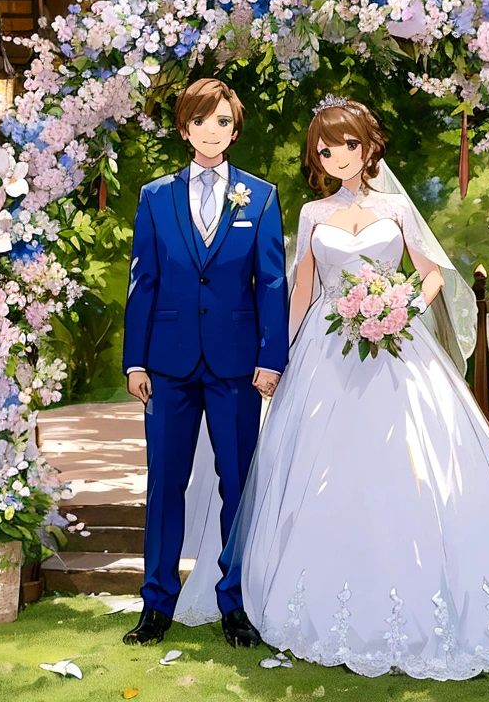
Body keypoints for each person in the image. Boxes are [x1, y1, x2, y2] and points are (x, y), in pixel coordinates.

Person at [182, 95, 489, 679]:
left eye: (346, 143)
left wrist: (399, 308)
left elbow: (429, 278)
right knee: (315, 470)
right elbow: (300, 295)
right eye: (325, 146)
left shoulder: (396, 209)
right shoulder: (312, 215)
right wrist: (277, 357)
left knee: (412, 463)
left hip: (396, 346)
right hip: (326, 347)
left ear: (368, 147)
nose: (335, 154)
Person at [121, 77, 288, 647]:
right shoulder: (154, 196)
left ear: (234, 128)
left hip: (237, 364)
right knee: (165, 482)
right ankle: (156, 603)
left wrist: (272, 357)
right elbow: (142, 282)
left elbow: (271, 282)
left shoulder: (261, 196)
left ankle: (235, 603)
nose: (210, 131)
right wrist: (134, 361)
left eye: (221, 121)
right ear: (184, 128)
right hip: (166, 365)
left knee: (237, 483)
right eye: (199, 121)